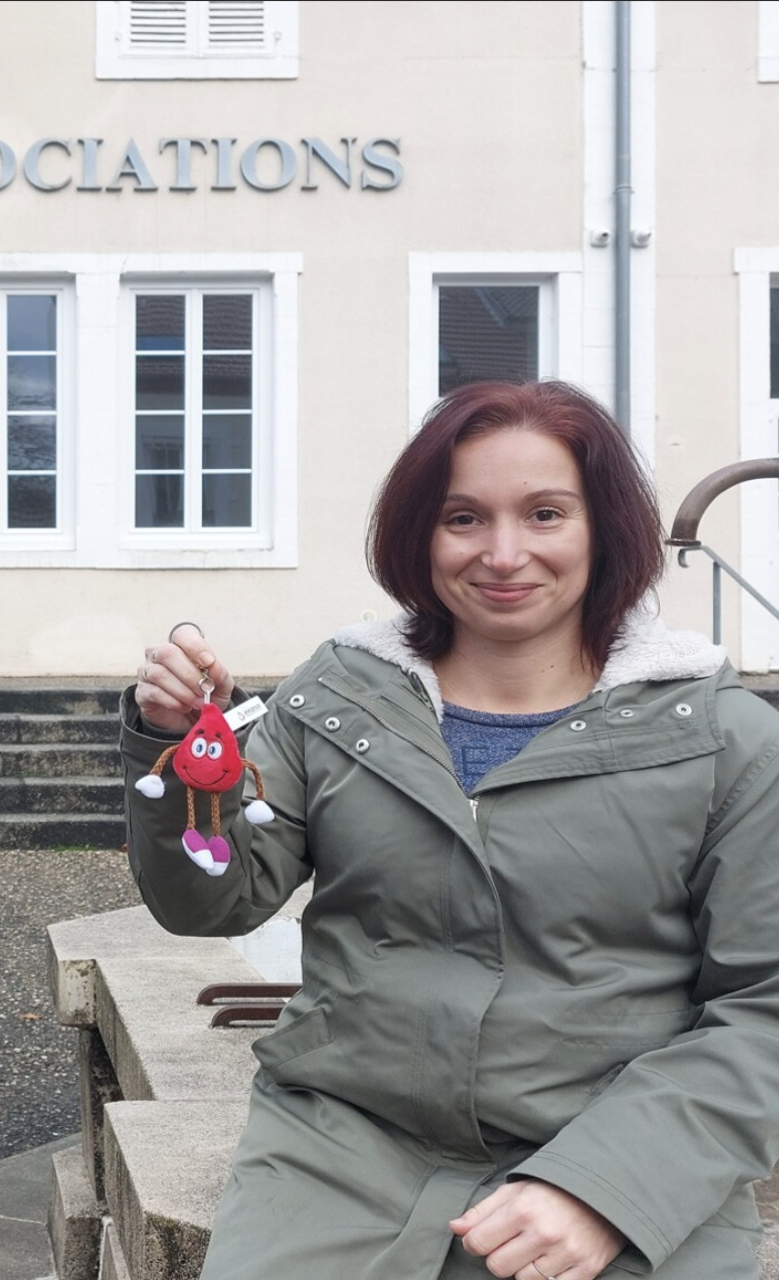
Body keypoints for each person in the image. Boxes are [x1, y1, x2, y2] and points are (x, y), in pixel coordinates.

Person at [121, 380, 779, 1280]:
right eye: (463, 518)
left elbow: (765, 1006)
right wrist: (175, 751)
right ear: (419, 534)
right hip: (338, 1153)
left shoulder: (725, 741)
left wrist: (603, 1190)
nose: (504, 554)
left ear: (605, 529)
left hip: (627, 1152)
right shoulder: (339, 698)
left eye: (546, 514)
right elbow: (216, 901)